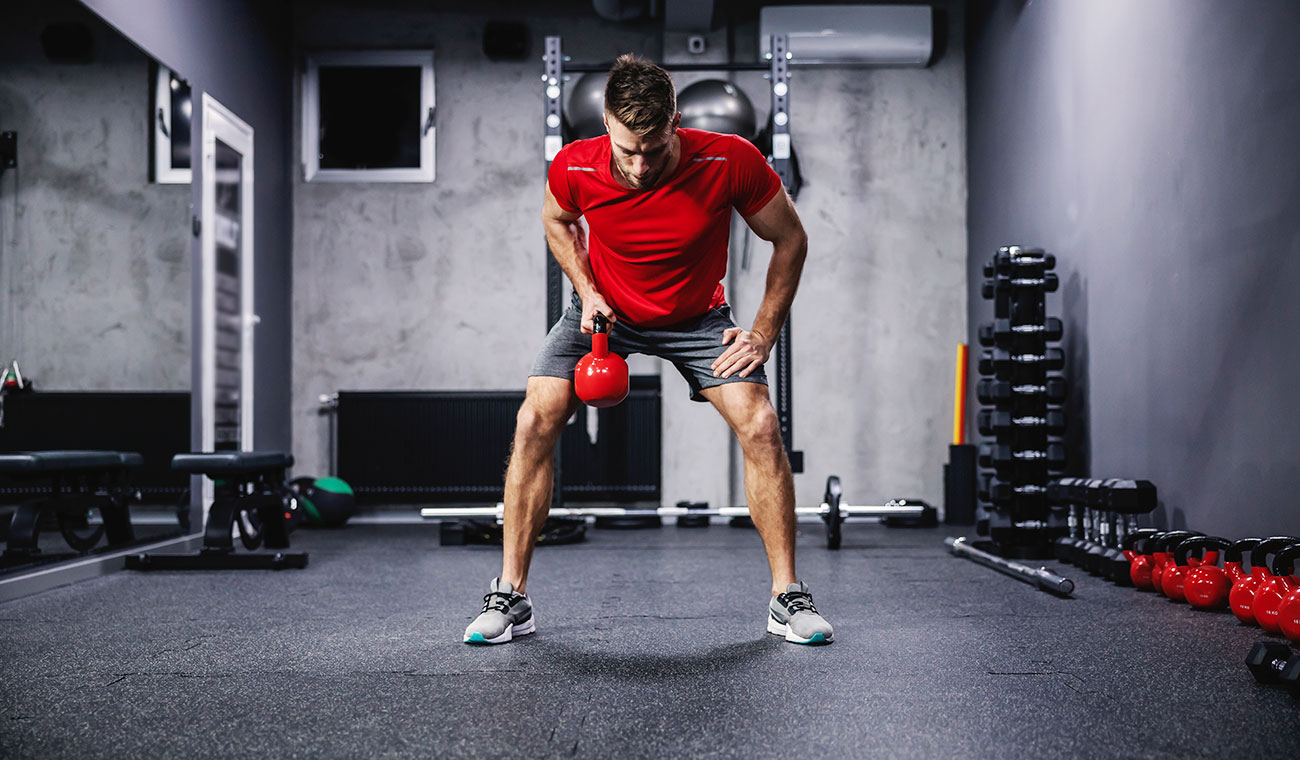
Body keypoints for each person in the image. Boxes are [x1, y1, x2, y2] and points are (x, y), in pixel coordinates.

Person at [464, 54, 832, 646]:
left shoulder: (728, 158)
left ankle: (786, 597)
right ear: (606, 122)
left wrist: (762, 331)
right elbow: (556, 220)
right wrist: (585, 291)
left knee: (761, 424)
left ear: (675, 123)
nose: (638, 166)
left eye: (654, 151)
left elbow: (790, 238)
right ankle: (511, 595)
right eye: (626, 149)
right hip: (606, 313)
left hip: (697, 317)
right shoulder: (575, 165)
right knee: (534, 418)